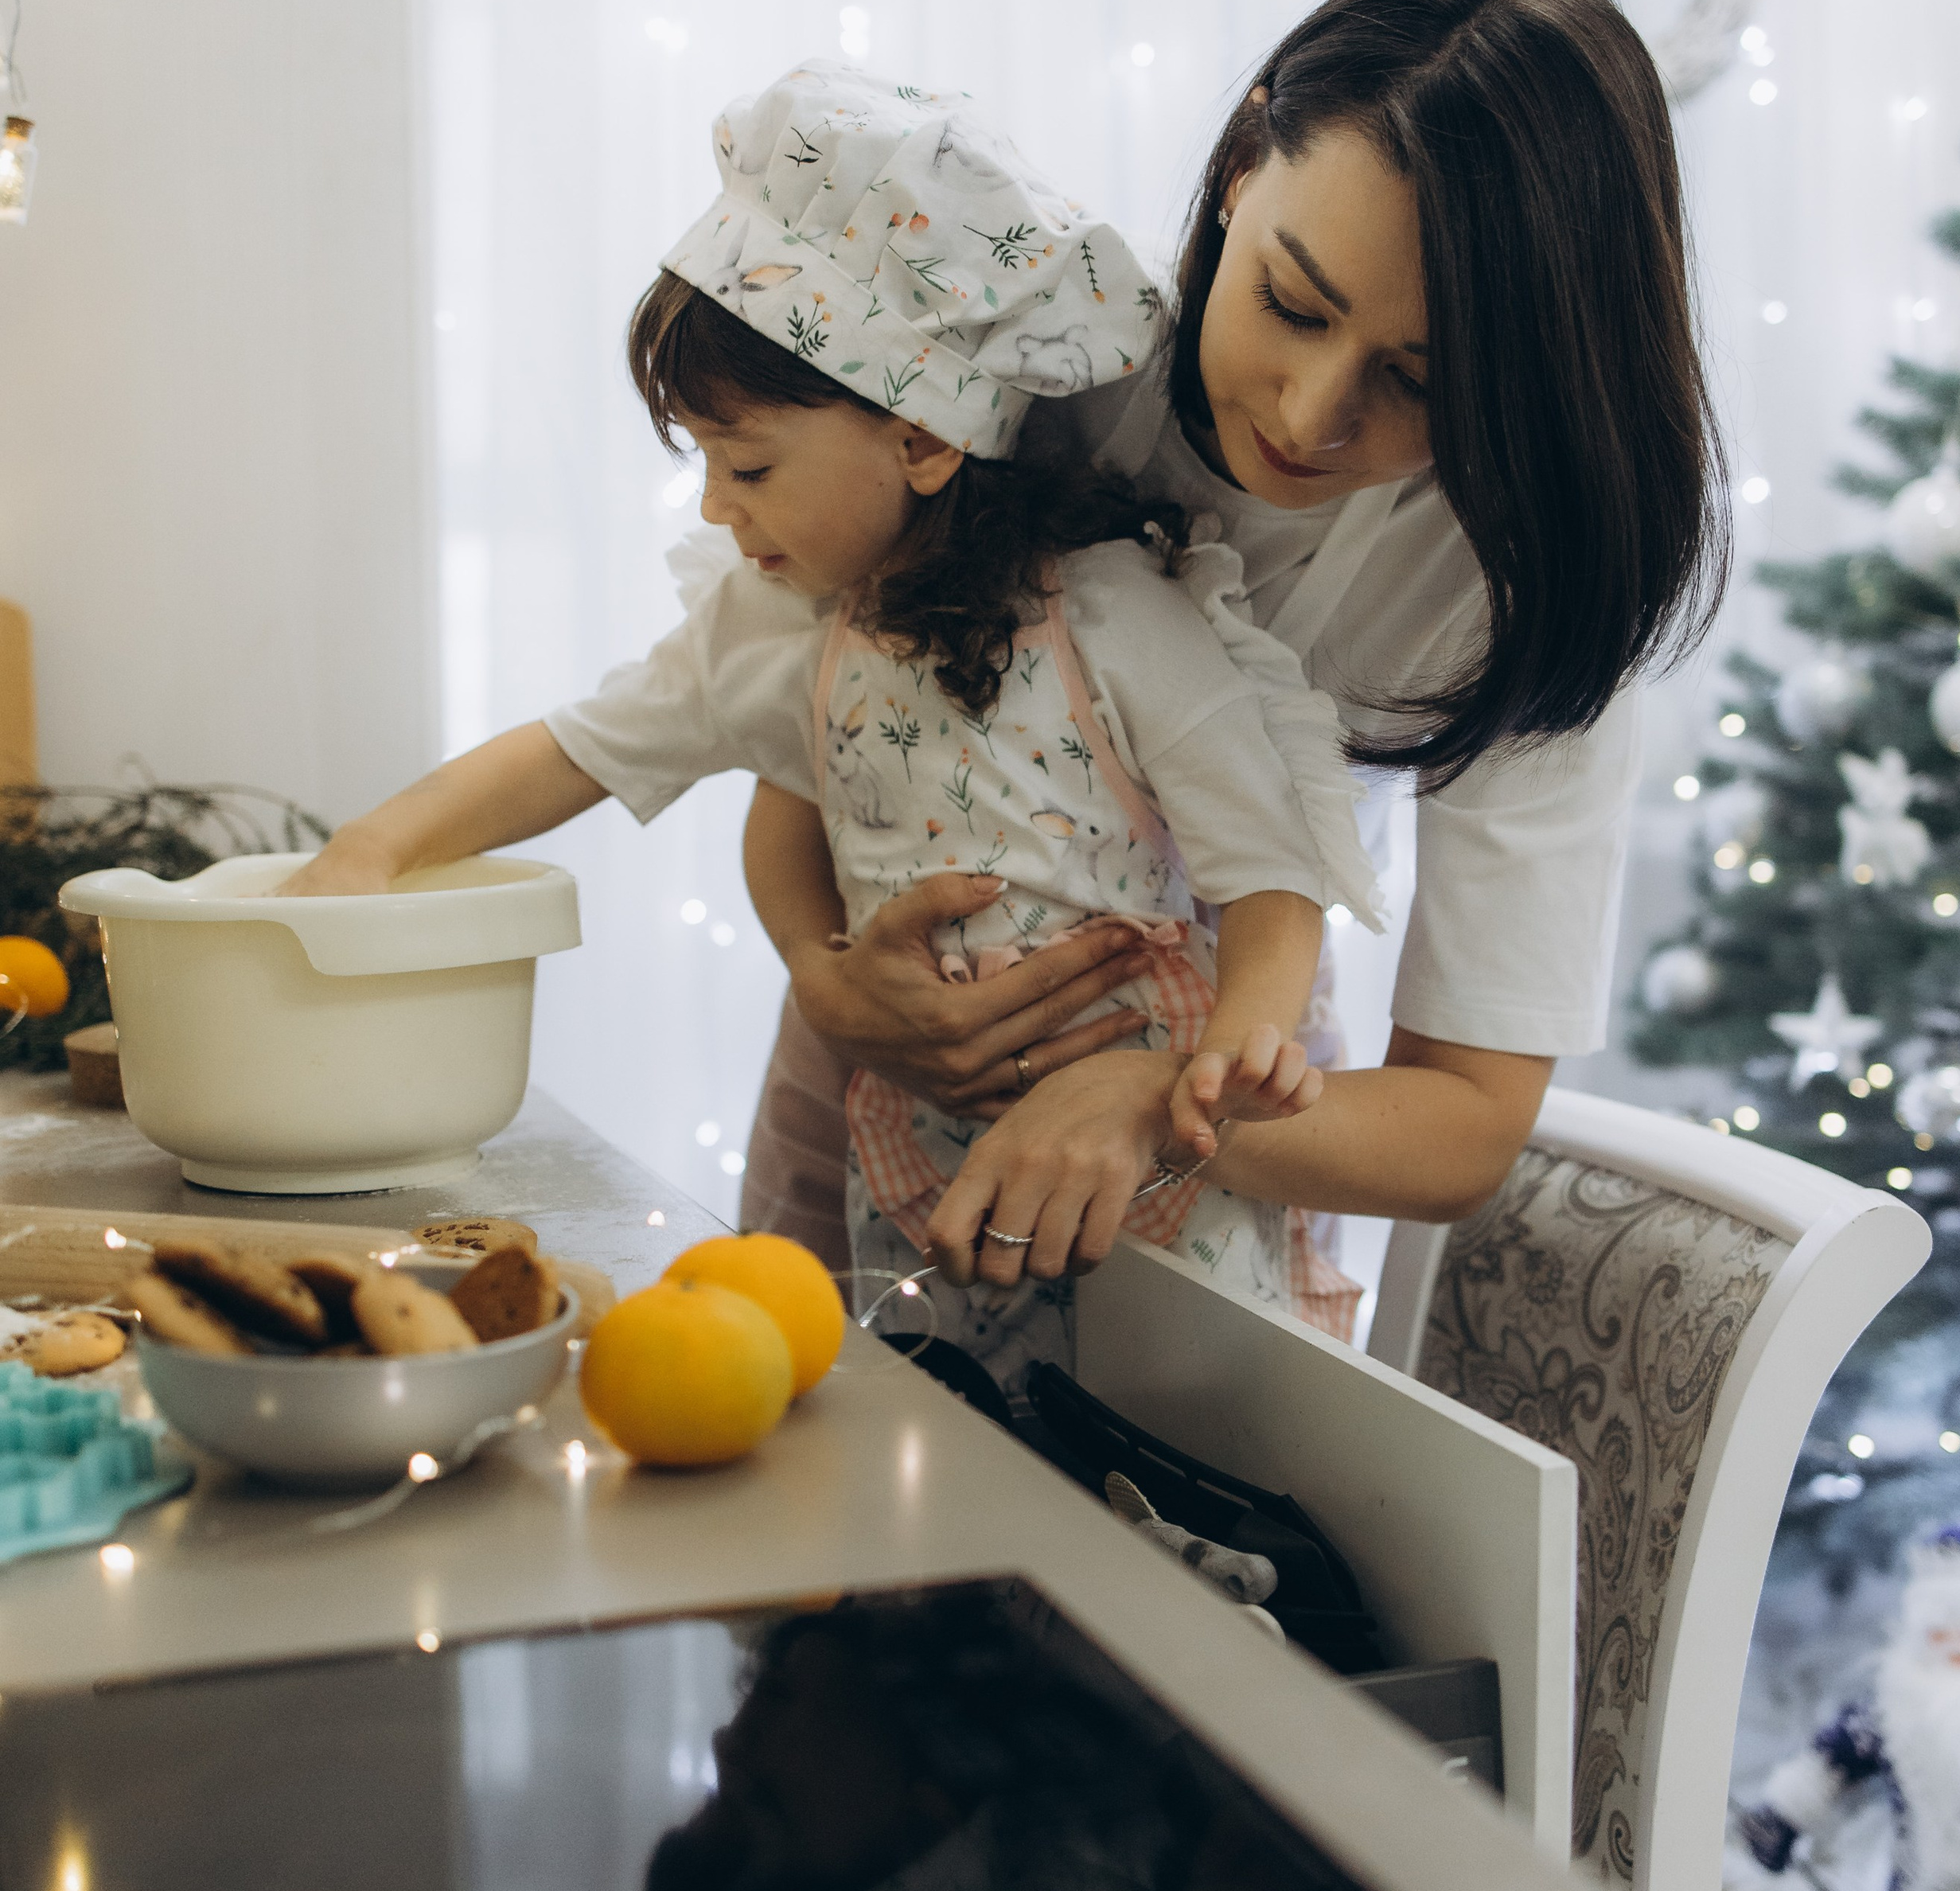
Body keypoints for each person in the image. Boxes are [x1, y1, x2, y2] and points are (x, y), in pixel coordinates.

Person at [285, 66, 1385, 1378]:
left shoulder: (1117, 615)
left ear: (924, 440)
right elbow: (579, 749)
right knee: (939, 1443)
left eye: (747, 466)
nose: (714, 508)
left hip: (1151, 1186)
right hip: (922, 1162)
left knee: (1163, 1469)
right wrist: (368, 852)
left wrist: (1231, 1064)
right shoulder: (776, 631)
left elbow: (1267, 865)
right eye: (701, 460)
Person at [735, 0, 1731, 1295]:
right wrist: (820, 969)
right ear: (1237, 168)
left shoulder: (1525, 588)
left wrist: (1157, 1107)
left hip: (1214, 1164)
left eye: (1423, 383)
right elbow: (814, 674)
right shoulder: (1038, 368)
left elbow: (1463, 1124)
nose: (1315, 416)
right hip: (883, 1068)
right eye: (1290, 303)